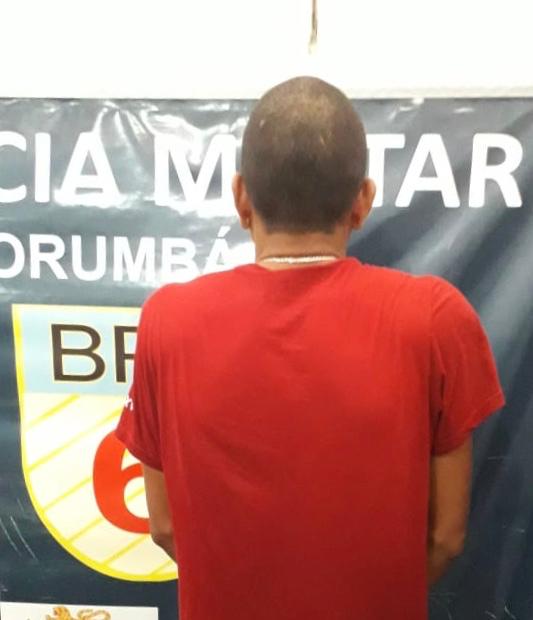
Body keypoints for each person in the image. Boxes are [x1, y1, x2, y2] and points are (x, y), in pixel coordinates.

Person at [115, 76, 505, 620]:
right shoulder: (436, 318)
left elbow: (164, 526)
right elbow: (445, 537)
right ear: (363, 201)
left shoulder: (168, 320)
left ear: (241, 198)